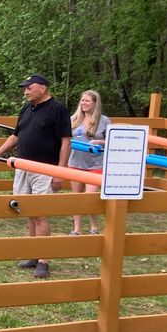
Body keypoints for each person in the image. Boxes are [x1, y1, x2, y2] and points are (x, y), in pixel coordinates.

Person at [0, 74, 71, 279]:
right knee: (27, 211)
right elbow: (16, 135)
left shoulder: (57, 109)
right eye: (24, 88)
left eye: (28, 88)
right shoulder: (26, 108)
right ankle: (33, 254)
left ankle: (44, 261)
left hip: (45, 169)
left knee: (40, 214)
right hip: (23, 166)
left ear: (42, 88)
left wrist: (60, 171)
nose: (25, 91)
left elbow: (66, 142)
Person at [67, 90, 110, 236]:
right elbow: (65, 139)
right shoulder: (73, 119)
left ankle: (93, 227)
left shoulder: (104, 120)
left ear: (95, 103)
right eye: (82, 100)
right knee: (77, 197)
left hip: (95, 165)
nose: (83, 103)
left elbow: (113, 141)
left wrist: (99, 142)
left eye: (87, 101)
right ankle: (77, 229)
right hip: (75, 163)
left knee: (90, 197)